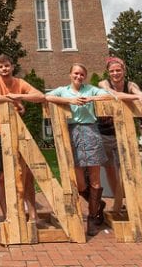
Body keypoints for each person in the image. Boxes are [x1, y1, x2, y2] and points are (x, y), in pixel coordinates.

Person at [44, 62, 111, 236]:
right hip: (72, 133)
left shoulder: (90, 89)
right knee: (80, 182)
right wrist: (69, 100)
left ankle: (92, 217)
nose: (78, 76)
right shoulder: (63, 90)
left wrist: (91, 99)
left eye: (82, 74)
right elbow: (47, 97)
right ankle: (98, 204)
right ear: (70, 74)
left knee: (95, 177)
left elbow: (107, 96)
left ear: (85, 76)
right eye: (76, 73)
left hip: (91, 131)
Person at [0, 54, 44, 222]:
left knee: (27, 174)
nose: (4, 69)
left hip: (16, 134)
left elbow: (40, 96)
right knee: (1, 177)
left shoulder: (20, 83)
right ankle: (7, 215)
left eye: (7, 66)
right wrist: (16, 103)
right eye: (1, 67)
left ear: (12, 66)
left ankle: (33, 214)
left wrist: (19, 97)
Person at [97, 56, 142, 213]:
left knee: (128, 167)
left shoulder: (130, 85)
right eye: (112, 71)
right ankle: (119, 202)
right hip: (104, 133)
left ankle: (136, 201)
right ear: (108, 73)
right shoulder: (103, 83)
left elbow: (139, 92)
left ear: (124, 70)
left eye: (118, 70)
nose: (115, 73)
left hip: (122, 133)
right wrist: (139, 97)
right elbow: (113, 95)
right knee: (110, 169)